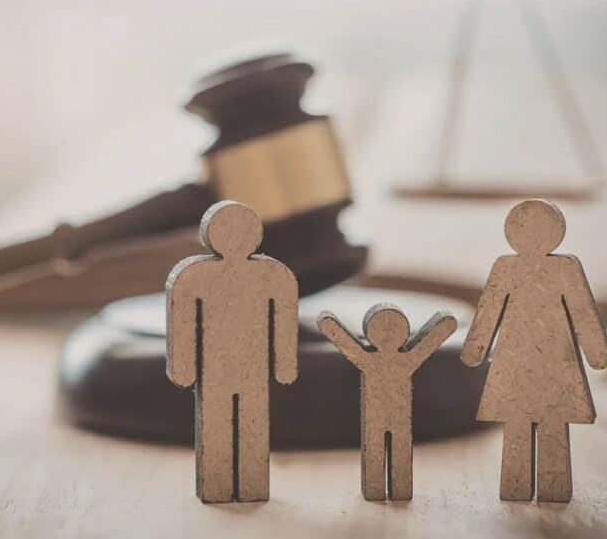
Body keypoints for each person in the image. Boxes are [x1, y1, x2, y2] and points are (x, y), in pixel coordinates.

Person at [461, 199, 607, 502]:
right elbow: (489, 311)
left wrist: (596, 352)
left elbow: (582, 311)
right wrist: (475, 348)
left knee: (548, 421)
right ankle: (518, 487)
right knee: (518, 422)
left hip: (553, 360)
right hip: (517, 360)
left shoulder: (564, 268)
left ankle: (550, 488)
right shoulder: (505, 268)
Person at [165, 201, 298, 503]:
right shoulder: (194, 276)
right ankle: (218, 486)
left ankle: (251, 485)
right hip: (215, 369)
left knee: (252, 423)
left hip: (251, 368)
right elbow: (182, 320)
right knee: (217, 424)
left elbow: (284, 319)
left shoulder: (274, 275)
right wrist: (183, 367)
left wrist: (285, 366)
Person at [318, 304, 456, 501]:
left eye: (393, 328)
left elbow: (430, 340)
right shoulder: (377, 359)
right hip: (379, 417)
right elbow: (343, 339)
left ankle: (396, 489)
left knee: (398, 449)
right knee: (378, 449)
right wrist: (446, 324)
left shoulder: (395, 359)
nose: (388, 334)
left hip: (397, 417)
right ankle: (378, 489)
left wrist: (327, 323)